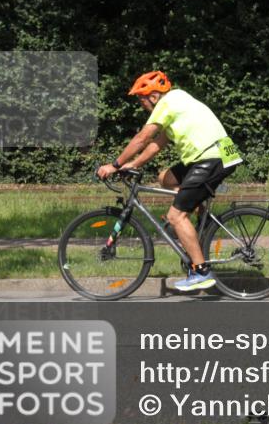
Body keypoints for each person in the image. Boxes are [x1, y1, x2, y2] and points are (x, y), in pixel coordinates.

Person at [97, 71, 243, 291]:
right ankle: (197, 209)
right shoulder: (179, 100)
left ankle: (201, 271)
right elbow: (157, 144)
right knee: (165, 177)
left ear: (154, 96)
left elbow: (142, 138)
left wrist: (115, 164)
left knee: (175, 216)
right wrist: (134, 165)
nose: (141, 104)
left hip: (212, 158)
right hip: (218, 155)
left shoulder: (167, 104)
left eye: (142, 98)